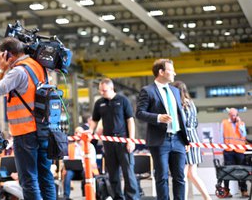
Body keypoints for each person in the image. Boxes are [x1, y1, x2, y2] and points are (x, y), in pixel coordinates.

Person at [0, 37, 55, 200]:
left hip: (25, 133)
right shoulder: (38, 66)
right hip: (43, 129)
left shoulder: (18, 71)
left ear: (7, 55)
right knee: (45, 177)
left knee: (29, 179)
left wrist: (1, 70)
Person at [136, 59, 188, 200]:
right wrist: (158, 117)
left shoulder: (175, 91)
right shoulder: (148, 91)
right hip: (160, 141)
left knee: (179, 177)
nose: (174, 73)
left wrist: (186, 140)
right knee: (162, 177)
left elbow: (180, 115)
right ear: (161, 72)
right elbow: (139, 113)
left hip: (178, 139)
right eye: (171, 70)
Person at [89, 78, 139, 200]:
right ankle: (118, 197)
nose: (102, 93)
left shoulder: (123, 101)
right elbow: (94, 121)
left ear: (111, 88)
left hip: (123, 141)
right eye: (100, 90)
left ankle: (132, 197)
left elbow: (130, 120)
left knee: (128, 172)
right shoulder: (99, 103)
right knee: (113, 173)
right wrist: (90, 133)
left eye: (104, 90)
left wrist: (131, 140)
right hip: (108, 142)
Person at [171, 81, 210, 200]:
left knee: (183, 175)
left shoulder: (180, 105)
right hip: (194, 138)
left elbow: (180, 124)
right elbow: (195, 122)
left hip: (184, 139)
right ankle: (207, 198)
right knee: (192, 174)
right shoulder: (191, 103)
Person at [62, 126, 98, 200]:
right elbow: (66, 160)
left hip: (85, 169)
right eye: (76, 132)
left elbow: (93, 161)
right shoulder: (70, 146)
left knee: (86, 173)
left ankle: (86, 195)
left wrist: (85, 165)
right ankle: (66, 197)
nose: (77, 134)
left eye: (79, 132)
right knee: (68, 174)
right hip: (73, 169)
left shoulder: (89, 146)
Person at [220, 108, 249, 197]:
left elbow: (243, 134)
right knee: (227, 171)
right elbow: (221, 135)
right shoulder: (224, 123)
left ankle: (244, 191)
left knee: (242, 171)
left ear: (237, 115)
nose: (233, 117)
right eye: (232, 115)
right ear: (229, 115)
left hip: (239, 151)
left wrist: (239, 123)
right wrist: (222, 148)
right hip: (228, 151)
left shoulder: (241, 123)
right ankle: (226, 191)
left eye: (235, 115)